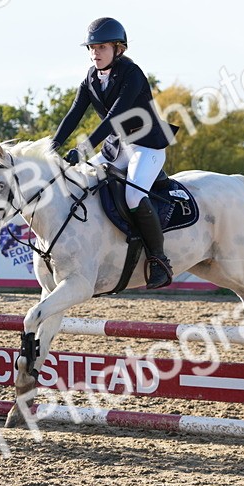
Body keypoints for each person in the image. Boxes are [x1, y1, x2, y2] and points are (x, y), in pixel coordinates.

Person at [50, 17, 179, 289]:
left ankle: (159, 259)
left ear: (119, 48)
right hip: (117, 147)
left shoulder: (132, 74)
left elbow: (113, 117)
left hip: (147, 147)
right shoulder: (91, 77)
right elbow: (74, 114)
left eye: (101, 47)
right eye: (91, 48)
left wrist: (83, 149)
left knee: (134, 194)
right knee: (83, 181)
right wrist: (53, 146)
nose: (94, 53)